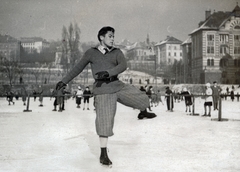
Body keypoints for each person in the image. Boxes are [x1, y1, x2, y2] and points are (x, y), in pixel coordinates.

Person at [55, 26, 156, 166]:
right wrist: (63, 81)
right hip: (103, 90)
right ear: (101, 37)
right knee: (105, 122)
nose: (113, 39)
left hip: (117, 85)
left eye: (113, 36)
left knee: (142, 98)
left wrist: (108, 73)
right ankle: (103, 154)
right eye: (110, 36)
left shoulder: (117, 51)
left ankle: (143, 112)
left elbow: (123, 65)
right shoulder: (91, 53)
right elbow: (77, 68)